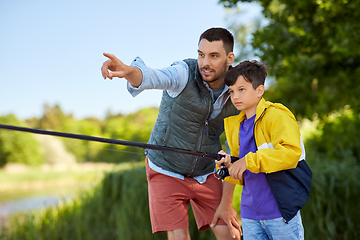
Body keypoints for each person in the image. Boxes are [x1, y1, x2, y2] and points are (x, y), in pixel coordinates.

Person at [101, 27, 242, 240]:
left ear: (229, 58)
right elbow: (154, 76)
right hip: (166, 167)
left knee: (231, 234)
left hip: (206, 170)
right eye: (201, 54)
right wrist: (129, 71)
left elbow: (236, 147)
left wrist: (227, 202)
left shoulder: (238, 89)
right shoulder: (183, 73)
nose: (205, 63)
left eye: (214, 56)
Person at [214, 60, 312, 239]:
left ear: (259, 90)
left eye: (241, 89)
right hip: (250, 215)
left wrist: (248, 161)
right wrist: (229, 164)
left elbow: (290, 153)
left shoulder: (277, 116)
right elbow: (242, 168)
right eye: (231, 91)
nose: (235, 96)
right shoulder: (235, 126)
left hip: (280, 214)